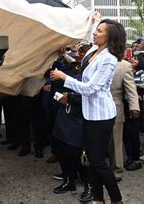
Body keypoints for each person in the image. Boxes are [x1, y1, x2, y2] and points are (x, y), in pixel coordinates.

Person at [51, 19, 126, 203]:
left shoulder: (108, 59)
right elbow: (82, 66)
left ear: (110, 36)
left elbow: (91, 88)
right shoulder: (94, 50)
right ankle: (98, 199)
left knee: (98, 162)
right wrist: (93, 19)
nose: (95, 33)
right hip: (90, 113)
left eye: (99, 31)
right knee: (92, 160)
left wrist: (64, 77)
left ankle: (116, 199)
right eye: (96, 29)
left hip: (101, 116)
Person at [51, 43, 92, 202]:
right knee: (62, 151)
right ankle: (69, 181)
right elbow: (56, 89)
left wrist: (71, 97)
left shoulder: (94, 74)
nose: (82, 56)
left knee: (80, 156)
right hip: (63, 119)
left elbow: (91, 95)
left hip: (79, 121)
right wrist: (60, 97)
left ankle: (89, 185)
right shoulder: (72, 69)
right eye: (81, 53)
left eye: (86, 54)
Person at [109, 57, 139, 180]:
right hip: (94, 108)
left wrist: (134, 107)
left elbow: (131, 89)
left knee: (115, 142)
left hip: (115, 107)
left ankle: (116, 172)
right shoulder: (94, 59)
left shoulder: (124, 66)